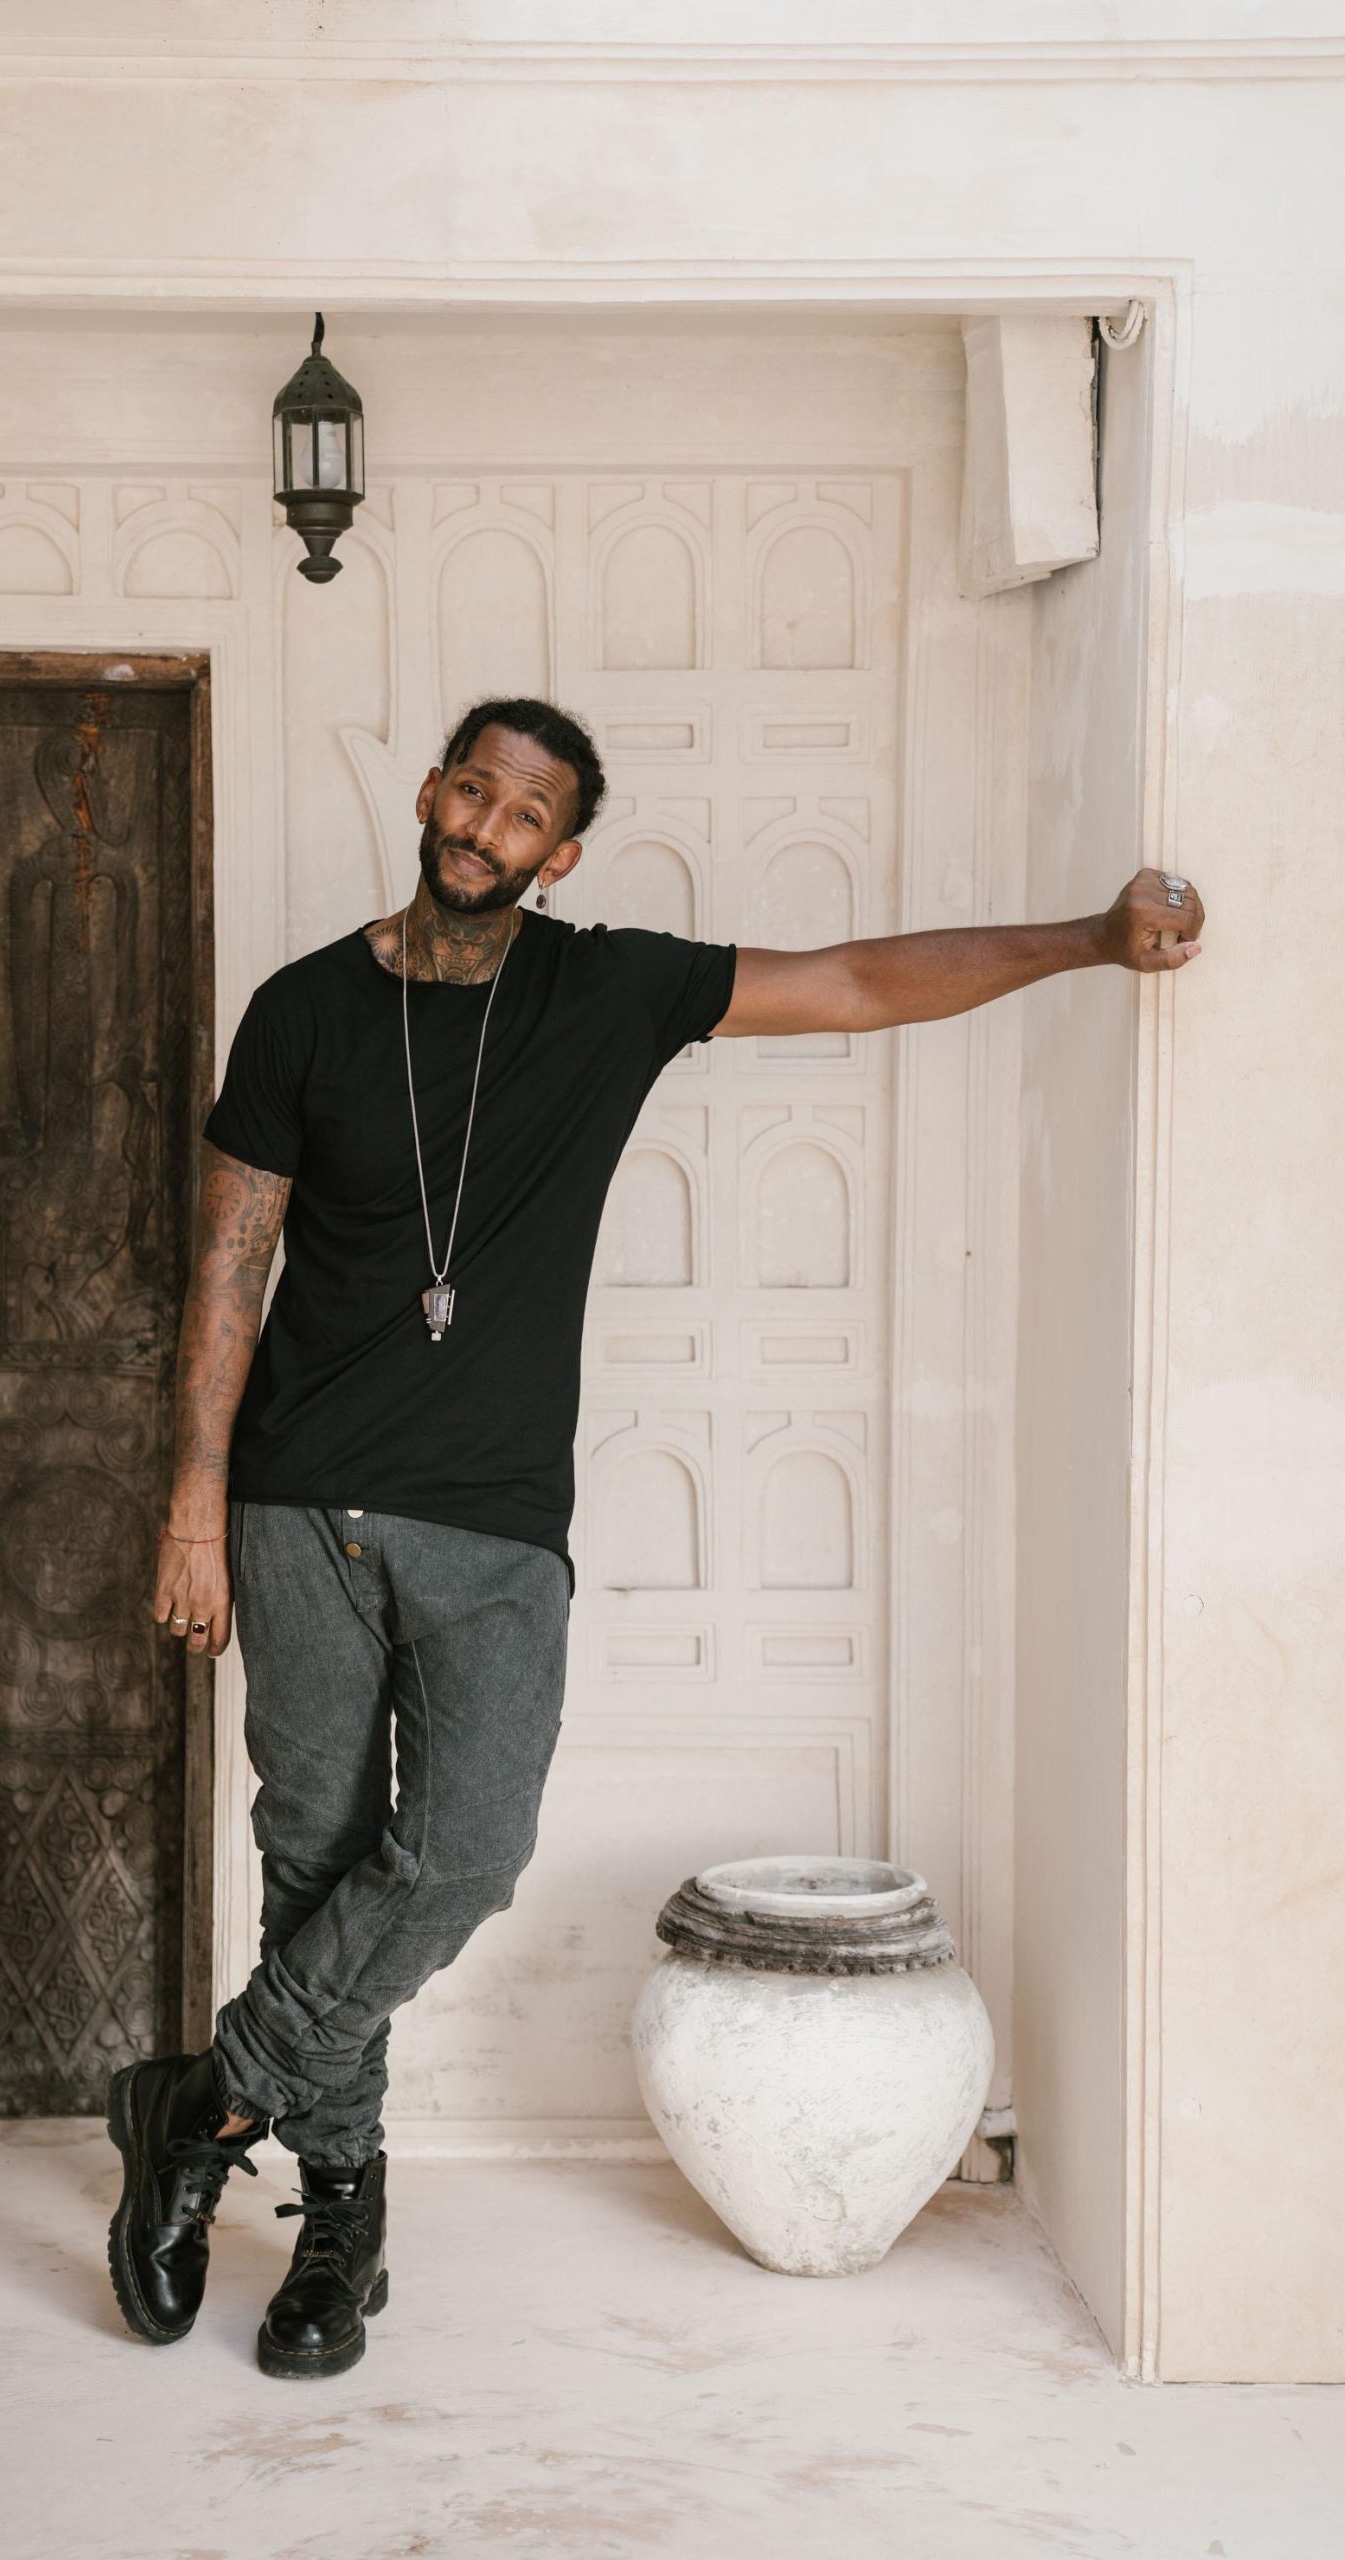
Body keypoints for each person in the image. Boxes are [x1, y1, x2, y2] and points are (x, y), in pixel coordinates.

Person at [107, 694, 1204, 2380]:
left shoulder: (605, 992)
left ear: (560, 855)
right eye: (473, 790)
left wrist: (1089, 940)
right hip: (297, 1503)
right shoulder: (304, 1010)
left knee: (462, 1855)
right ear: (431, 792)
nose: (486, 827)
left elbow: (857, 981)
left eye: (526, 813)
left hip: (493, 1524)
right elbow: (229, 1265)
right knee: (317, 1862)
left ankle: (206, 2101)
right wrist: (193, 1500)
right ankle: (339, 2224)